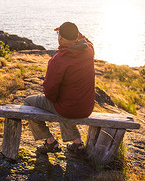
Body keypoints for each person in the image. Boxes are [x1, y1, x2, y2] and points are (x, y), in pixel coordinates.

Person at [24, 21, 95, 154]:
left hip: (68, 109)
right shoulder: (89, 51)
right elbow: (88, 41)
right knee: (66, 100)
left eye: (58, 35)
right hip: (87, 108)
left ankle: (50, 142)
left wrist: (55, 98)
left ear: (60, 38)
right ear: (76, 36)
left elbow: (49, 92)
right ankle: (77, 143)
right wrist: (76, 33)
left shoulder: (58, 60)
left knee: (28, 102)